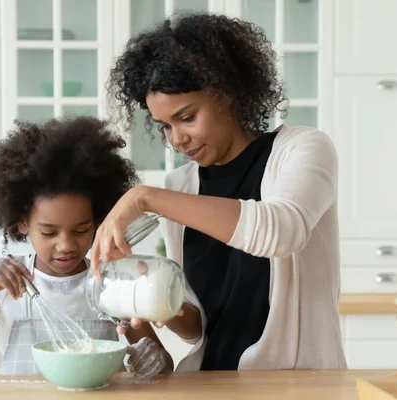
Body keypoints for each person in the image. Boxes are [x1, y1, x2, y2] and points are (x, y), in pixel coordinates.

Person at [91, 12, 347, 371]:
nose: (176, 139)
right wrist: (162, 303)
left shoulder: (303, 149)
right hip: (210, 384)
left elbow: (281, 231)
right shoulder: (179, 187)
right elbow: (199, 328)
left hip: (296, 386)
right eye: (164, 126)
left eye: (187, 117)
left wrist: (141, 198)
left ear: (226, 95)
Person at [0, 116, 172, 378]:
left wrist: (152, 361)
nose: (66, 245)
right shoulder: (9, 280)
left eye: (81, 230)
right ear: (22, 222)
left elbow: (162, 364)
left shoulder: (112, 282)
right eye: (49, 232)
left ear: (99, 222)